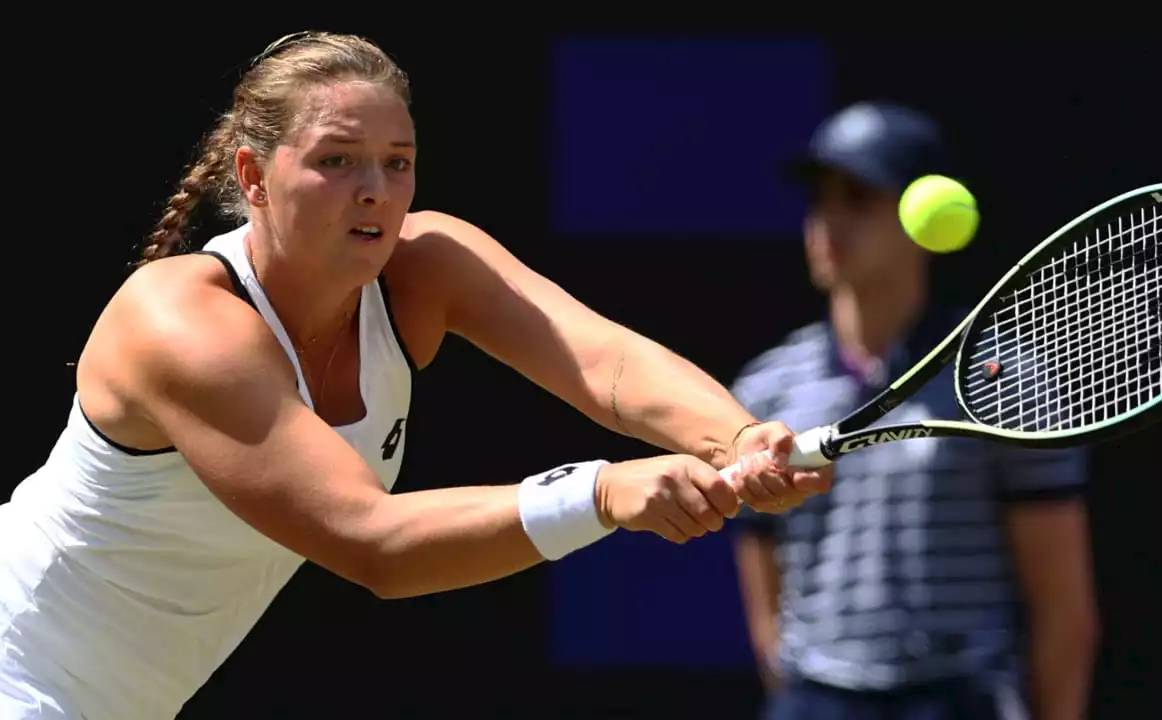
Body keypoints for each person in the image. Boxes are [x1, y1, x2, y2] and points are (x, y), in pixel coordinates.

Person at [0, 32, 830, 719]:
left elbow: (600, 358)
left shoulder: (426, 266)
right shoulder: (182, 325)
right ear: (253, 178)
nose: (375, 192)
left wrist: (738, 435)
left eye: (397, 162)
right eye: (338, 160)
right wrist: (604, 493)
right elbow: (374, 544)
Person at [730, 101, 1099, 720]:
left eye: (859, 198)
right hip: (814, 700)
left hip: (958, 697)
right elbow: (764, 586)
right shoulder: (766, 387)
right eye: (821, 199)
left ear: (921, 218)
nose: (829, 223)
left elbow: (1065, 612)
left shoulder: (1006, 383)